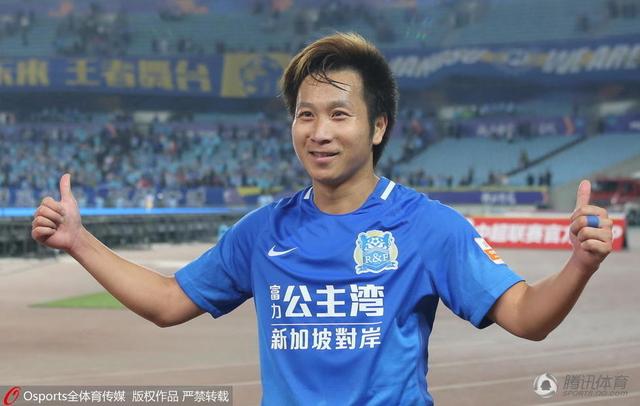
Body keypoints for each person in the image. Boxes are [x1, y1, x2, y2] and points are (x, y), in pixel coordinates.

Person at [32, 33, 613, 405]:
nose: (319, 131)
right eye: (305, 115)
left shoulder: (430, 226)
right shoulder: (262, 232)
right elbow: (166, 302)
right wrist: (81, 241)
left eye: (339, 113)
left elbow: (525, 317)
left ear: (378, 126)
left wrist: (579, 266)